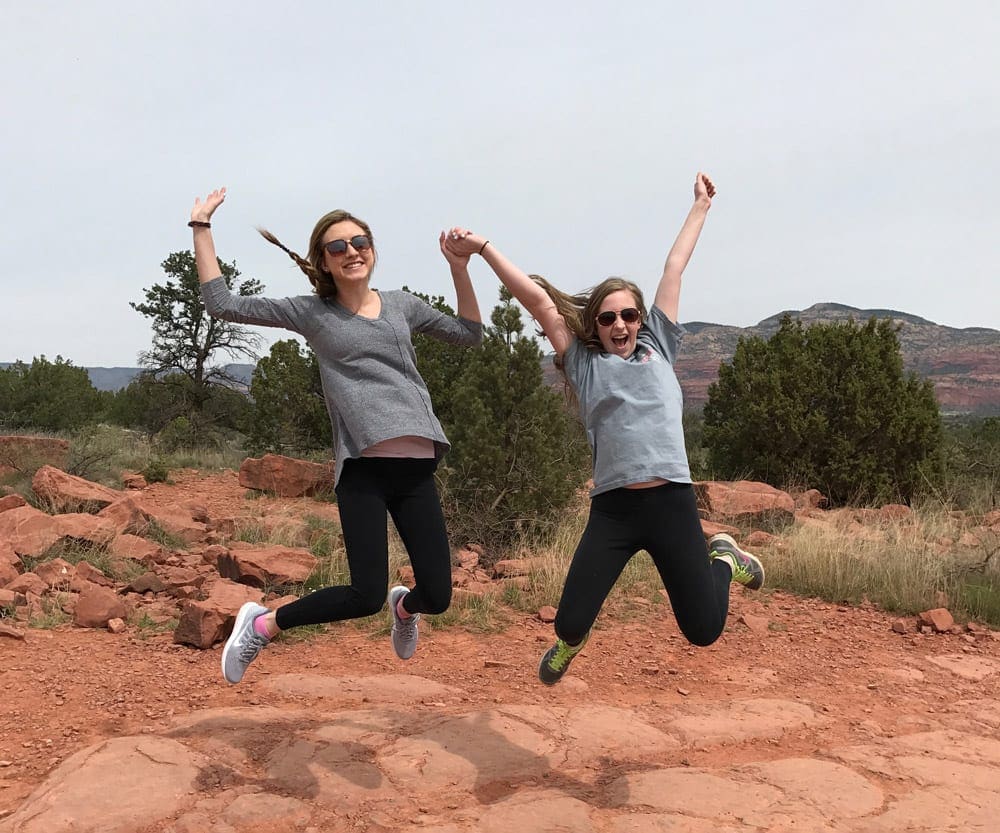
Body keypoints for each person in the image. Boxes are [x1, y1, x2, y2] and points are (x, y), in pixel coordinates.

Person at [443, 172, 764, 685]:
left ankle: (724, 558)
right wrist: (482, 248)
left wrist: (700, 207)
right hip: (615, 510)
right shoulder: (583, 364)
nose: (620, 325)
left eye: (629, 315)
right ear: (594, 325)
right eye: (608, 318)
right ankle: (571, 645)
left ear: (641, 319)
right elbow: (539, 301)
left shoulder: (660, 345)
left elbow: (674, 266)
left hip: (672, 505)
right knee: (570, 623)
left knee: (703, 631)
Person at [188, 188, 483, 684]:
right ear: (323, 261)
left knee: (438, 595)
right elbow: (221, 304)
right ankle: (264, 622)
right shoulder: (312, 313)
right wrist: (201, 227)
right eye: (337, 247)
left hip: (416, 469)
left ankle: (405, 609)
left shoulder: (402, 305)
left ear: (372, 248)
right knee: (363, 596)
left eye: (359, 241)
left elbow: (470, 334)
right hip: (364, 470)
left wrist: (459, 267)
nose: (351, 252)